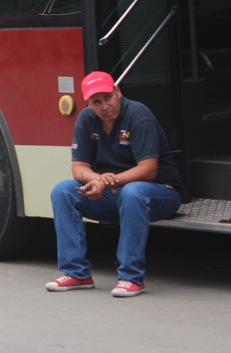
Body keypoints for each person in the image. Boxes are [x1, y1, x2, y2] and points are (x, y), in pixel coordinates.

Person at [45, 71, 185, 297]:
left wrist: (112, 180)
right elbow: (78, 167)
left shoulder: (139, 114)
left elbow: (149, 169)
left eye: (108, 97)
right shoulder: (86, 119)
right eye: (96, 102)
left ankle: (131, 278)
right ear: (89, 104)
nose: (104, 106)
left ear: (118, 92)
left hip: (160, 192)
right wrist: (97, 180)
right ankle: (77, 274)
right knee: (63, 191)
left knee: (133, 191)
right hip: (114, 192)